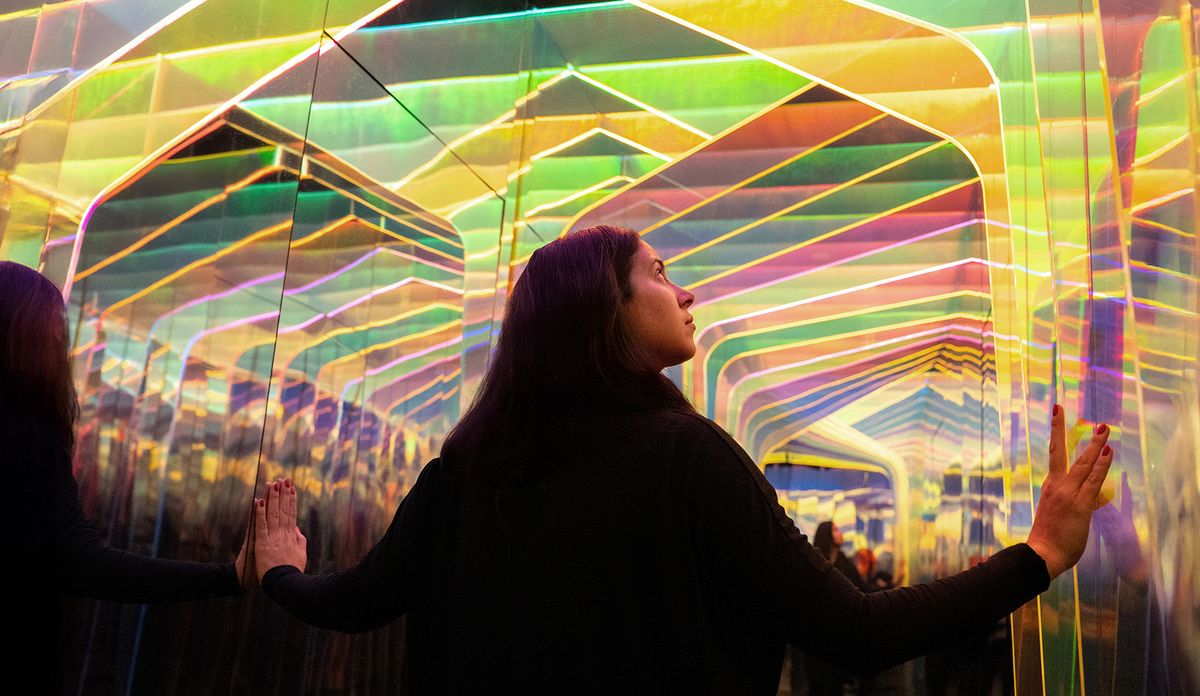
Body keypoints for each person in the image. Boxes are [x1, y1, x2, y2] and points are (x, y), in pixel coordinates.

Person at [251, 225, 1114, 694]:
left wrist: (279, 573)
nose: (686, 289)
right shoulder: (688, 462)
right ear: (607, 311)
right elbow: (855, 634)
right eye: (659, 272)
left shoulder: (462, 477)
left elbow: (354, 602)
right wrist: (1038, 554)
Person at [0, 261, 252, 686]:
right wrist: (228, 576)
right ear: (33, 342)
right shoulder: (28, 438)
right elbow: (82, 563)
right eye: (59, 333)